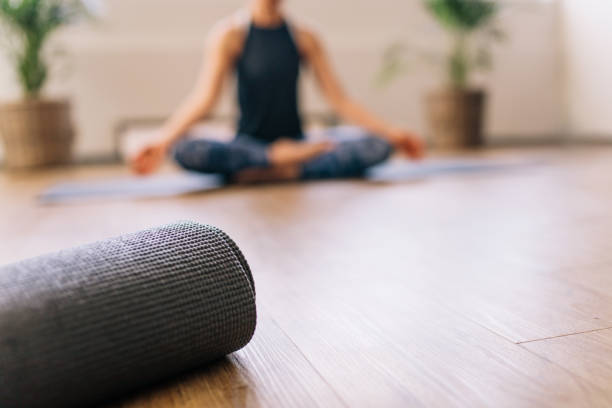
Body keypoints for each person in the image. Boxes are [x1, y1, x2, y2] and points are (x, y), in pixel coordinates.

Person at [131, 0, 424, 182]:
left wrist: (391, 132)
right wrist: (162, 140)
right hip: (248, 146)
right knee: (185, 149)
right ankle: (278, 162)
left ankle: (266, 169)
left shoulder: (305, 37)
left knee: (377, 145)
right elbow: (204, 100)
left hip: (297, 143)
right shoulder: (230, 35)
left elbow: (340, 100)